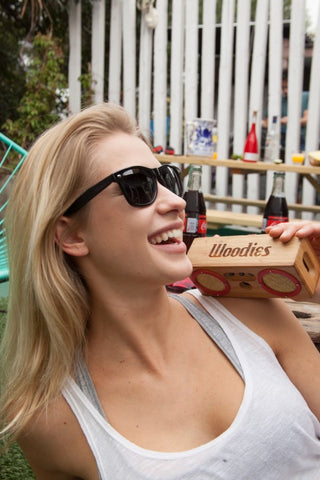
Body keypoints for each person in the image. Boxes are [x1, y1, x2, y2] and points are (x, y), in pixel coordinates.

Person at [0, 102, 319, 480]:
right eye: (139, 186)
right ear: (71, 234)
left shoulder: (246, 312)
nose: (177, 202)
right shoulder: (52, 418)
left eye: (168, 179)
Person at [262, 70, 309, 155]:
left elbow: (307, 119)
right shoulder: (278, 100)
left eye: (287, 87)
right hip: (281, 142)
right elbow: (265, 121)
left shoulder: (305, 96)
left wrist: (291, 121)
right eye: (283, 87)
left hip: (302, 141)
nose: (285, 91)